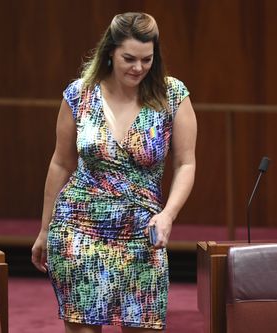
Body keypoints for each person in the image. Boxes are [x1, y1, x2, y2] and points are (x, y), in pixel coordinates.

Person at [31, 12, 197, 333]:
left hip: (142, 233)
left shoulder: (171, 95)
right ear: (110, 51)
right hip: (78, 229)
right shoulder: (80, 94)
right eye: (129, 58)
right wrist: (43, 229)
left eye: (147, 59)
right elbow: (61, 163)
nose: (138, 68)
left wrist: (169, 215)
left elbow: (186, 163)